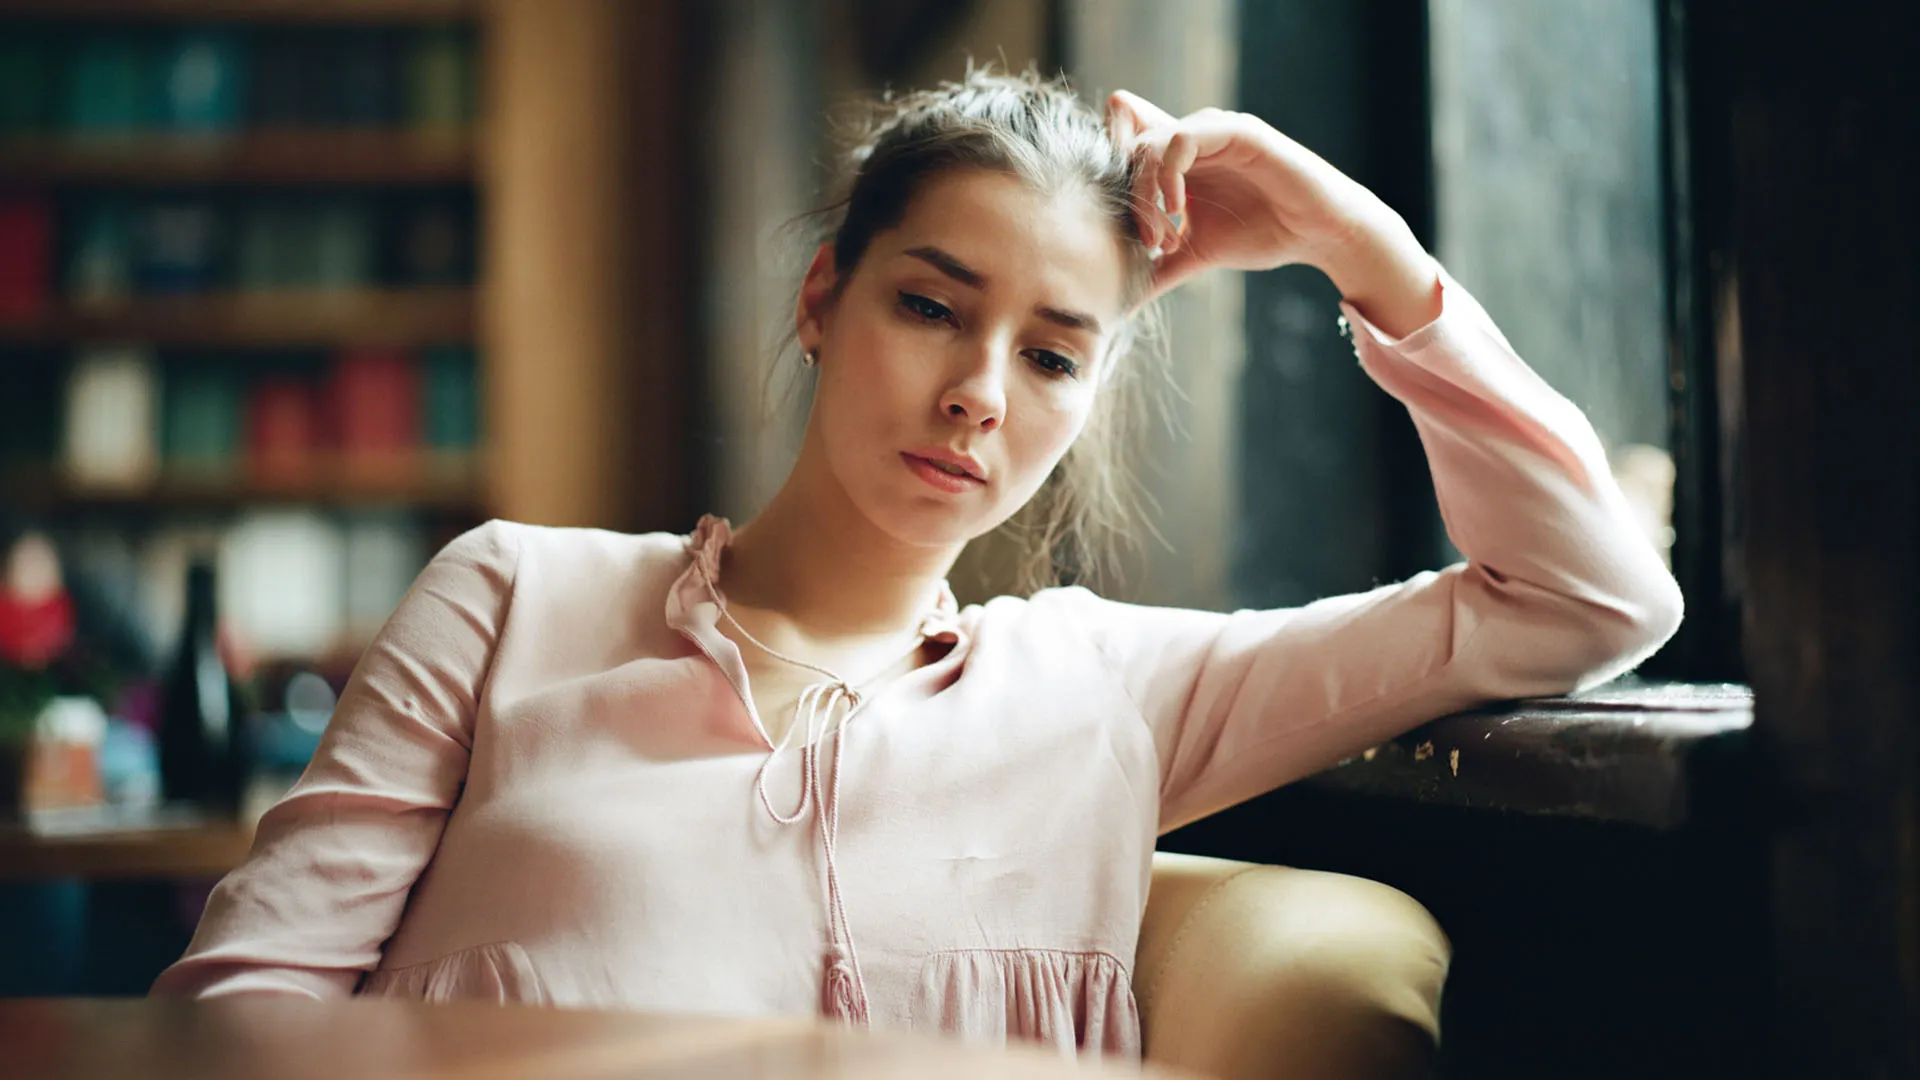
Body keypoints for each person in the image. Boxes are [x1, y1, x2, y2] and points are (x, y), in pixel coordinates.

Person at [151, 70, 1682, 1060]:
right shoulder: (513, 600)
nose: (978, 394)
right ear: (824, 295)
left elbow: (1590, 600)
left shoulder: (1108, 694)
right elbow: (235, 1014)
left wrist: (1364, 249)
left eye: (1054, 355)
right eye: (932, 307)